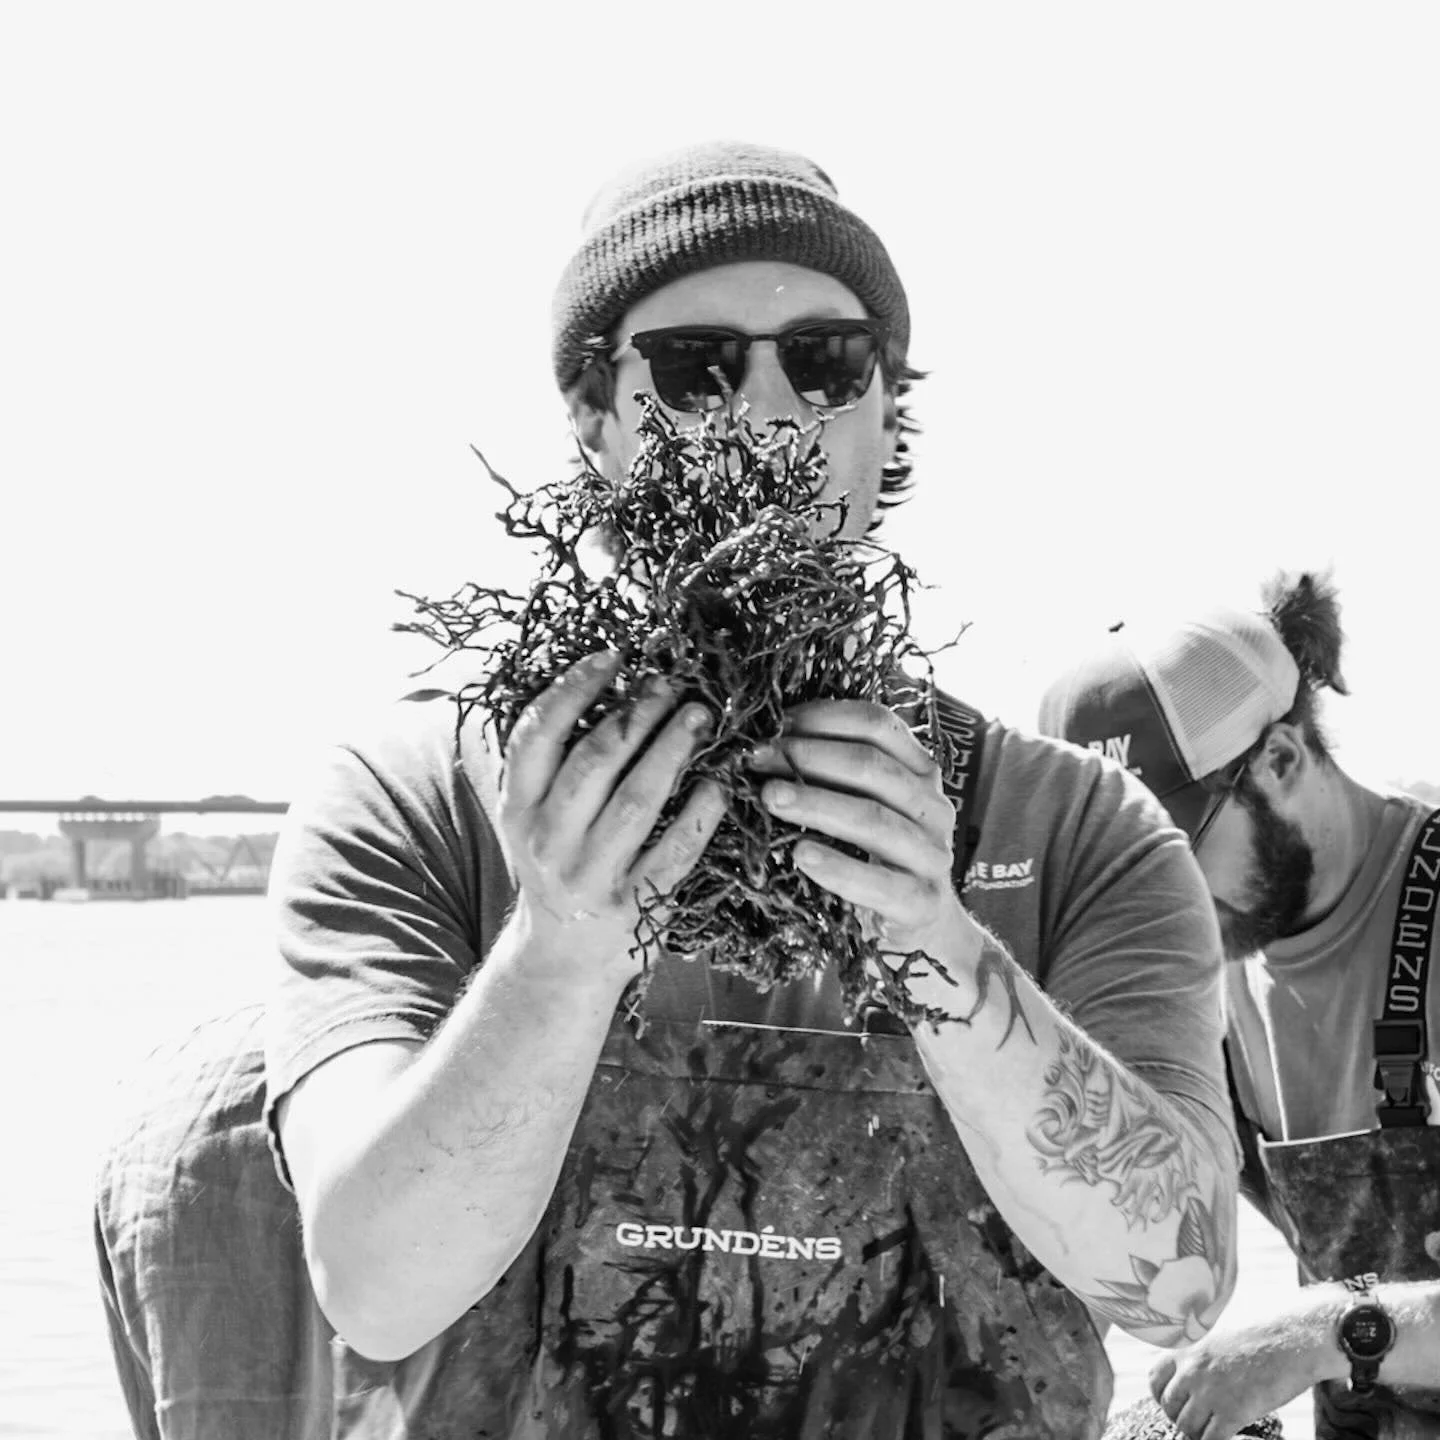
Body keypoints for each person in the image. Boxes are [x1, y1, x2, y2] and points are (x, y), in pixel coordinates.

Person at [96, 140, 1239, 1440]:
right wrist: (562, 946)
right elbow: (373, 1283)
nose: (766, 410)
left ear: (885, 406)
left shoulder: (1082, 837)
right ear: (593, 412)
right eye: (695, 367)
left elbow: (1184, 1278)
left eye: (827, 361)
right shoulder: (415, 806)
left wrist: (935, 936)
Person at [1039, 573, 1440, 1440]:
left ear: (1281, 760)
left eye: (1171, 850)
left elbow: (1306, 1340)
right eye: (1122, 865)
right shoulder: (1194, 983)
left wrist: (1314, 1335)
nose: (1154, 899)